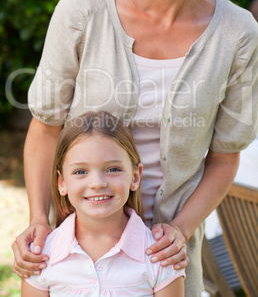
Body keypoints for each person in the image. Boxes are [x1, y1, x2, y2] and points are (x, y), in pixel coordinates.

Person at [12, 0, 258, 295]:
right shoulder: (82, 11)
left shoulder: (239, 33)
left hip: (167, 256)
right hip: (80, 249)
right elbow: (44, 129)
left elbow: (225, 157)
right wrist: (39, 218)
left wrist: (178, 230)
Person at [21, 111, 185, 296]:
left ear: (135, 176)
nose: (97, 183)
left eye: (112, 169)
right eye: (81, 171)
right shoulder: (41, 255)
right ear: (62, 183)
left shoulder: (162, 255)